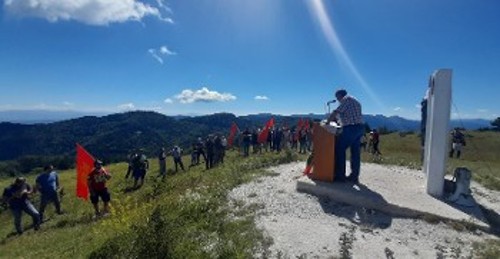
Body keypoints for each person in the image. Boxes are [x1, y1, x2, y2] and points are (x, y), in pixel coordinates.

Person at [326, 89, 364, 183]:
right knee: (355, 153)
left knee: (339, 149)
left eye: (337, 97)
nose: (337, 100)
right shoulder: (355, 100)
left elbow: (336, 112)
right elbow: (346, 115)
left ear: (340, 95)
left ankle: (340, 176)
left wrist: (327, 122)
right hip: (359, 128)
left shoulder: (346, 100)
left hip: (350, 128)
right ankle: (354, 177)